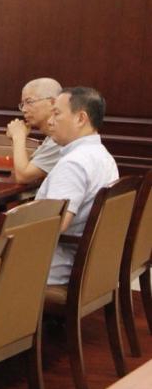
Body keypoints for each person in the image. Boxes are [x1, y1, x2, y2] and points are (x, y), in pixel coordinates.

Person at [36, 87, 118, 285]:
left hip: (59, 265)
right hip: (91, 262)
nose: (49, 121)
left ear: (81, 118)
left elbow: (53, 225)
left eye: (56, 113)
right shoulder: (104, 156)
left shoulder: (74, 164)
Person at [6, 77, 63, 183]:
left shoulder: (62, 139)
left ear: (53, 102)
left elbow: (23, 177)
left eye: (29, 102)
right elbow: (25, 167)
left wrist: (18, 136)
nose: (24, 110)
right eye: (22, 104)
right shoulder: (50, 136)